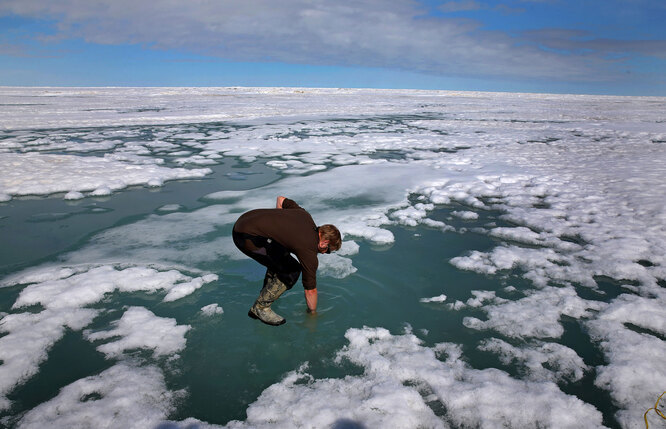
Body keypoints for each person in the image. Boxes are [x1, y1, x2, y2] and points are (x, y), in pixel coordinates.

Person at [232, 196, 342, 326]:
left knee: (280, 255)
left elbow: (281, 199)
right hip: (246, 238)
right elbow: (310, 290)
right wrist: (312, 313)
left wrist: (277, 231)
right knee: (292, 270)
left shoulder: (304, 215)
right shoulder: (309, 251)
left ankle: (266, 292)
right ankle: (261, 308)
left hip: (243, 221)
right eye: (328, 251)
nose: (325, 253)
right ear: (324, 242)